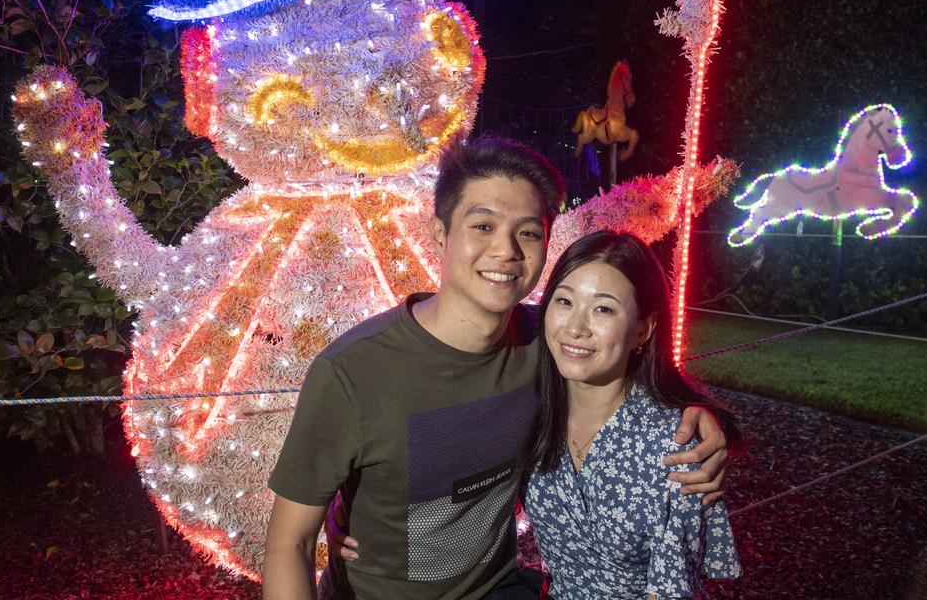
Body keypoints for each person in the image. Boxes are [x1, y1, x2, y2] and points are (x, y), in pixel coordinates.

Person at [262, 137, 732, 600]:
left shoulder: (545, 342)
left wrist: (695, 420)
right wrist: (337, 508)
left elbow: (619, 373)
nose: (506, 250)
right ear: (440, 234)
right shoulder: (353, 371)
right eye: (482, 226)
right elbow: (289, 544)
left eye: (527, 232)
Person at [524, 230, 742, 598]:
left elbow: (671, 591)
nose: (575, 328)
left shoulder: (677, 447)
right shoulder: (531, 411)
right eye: (564, 301)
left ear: (644, 328)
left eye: (603, 309)